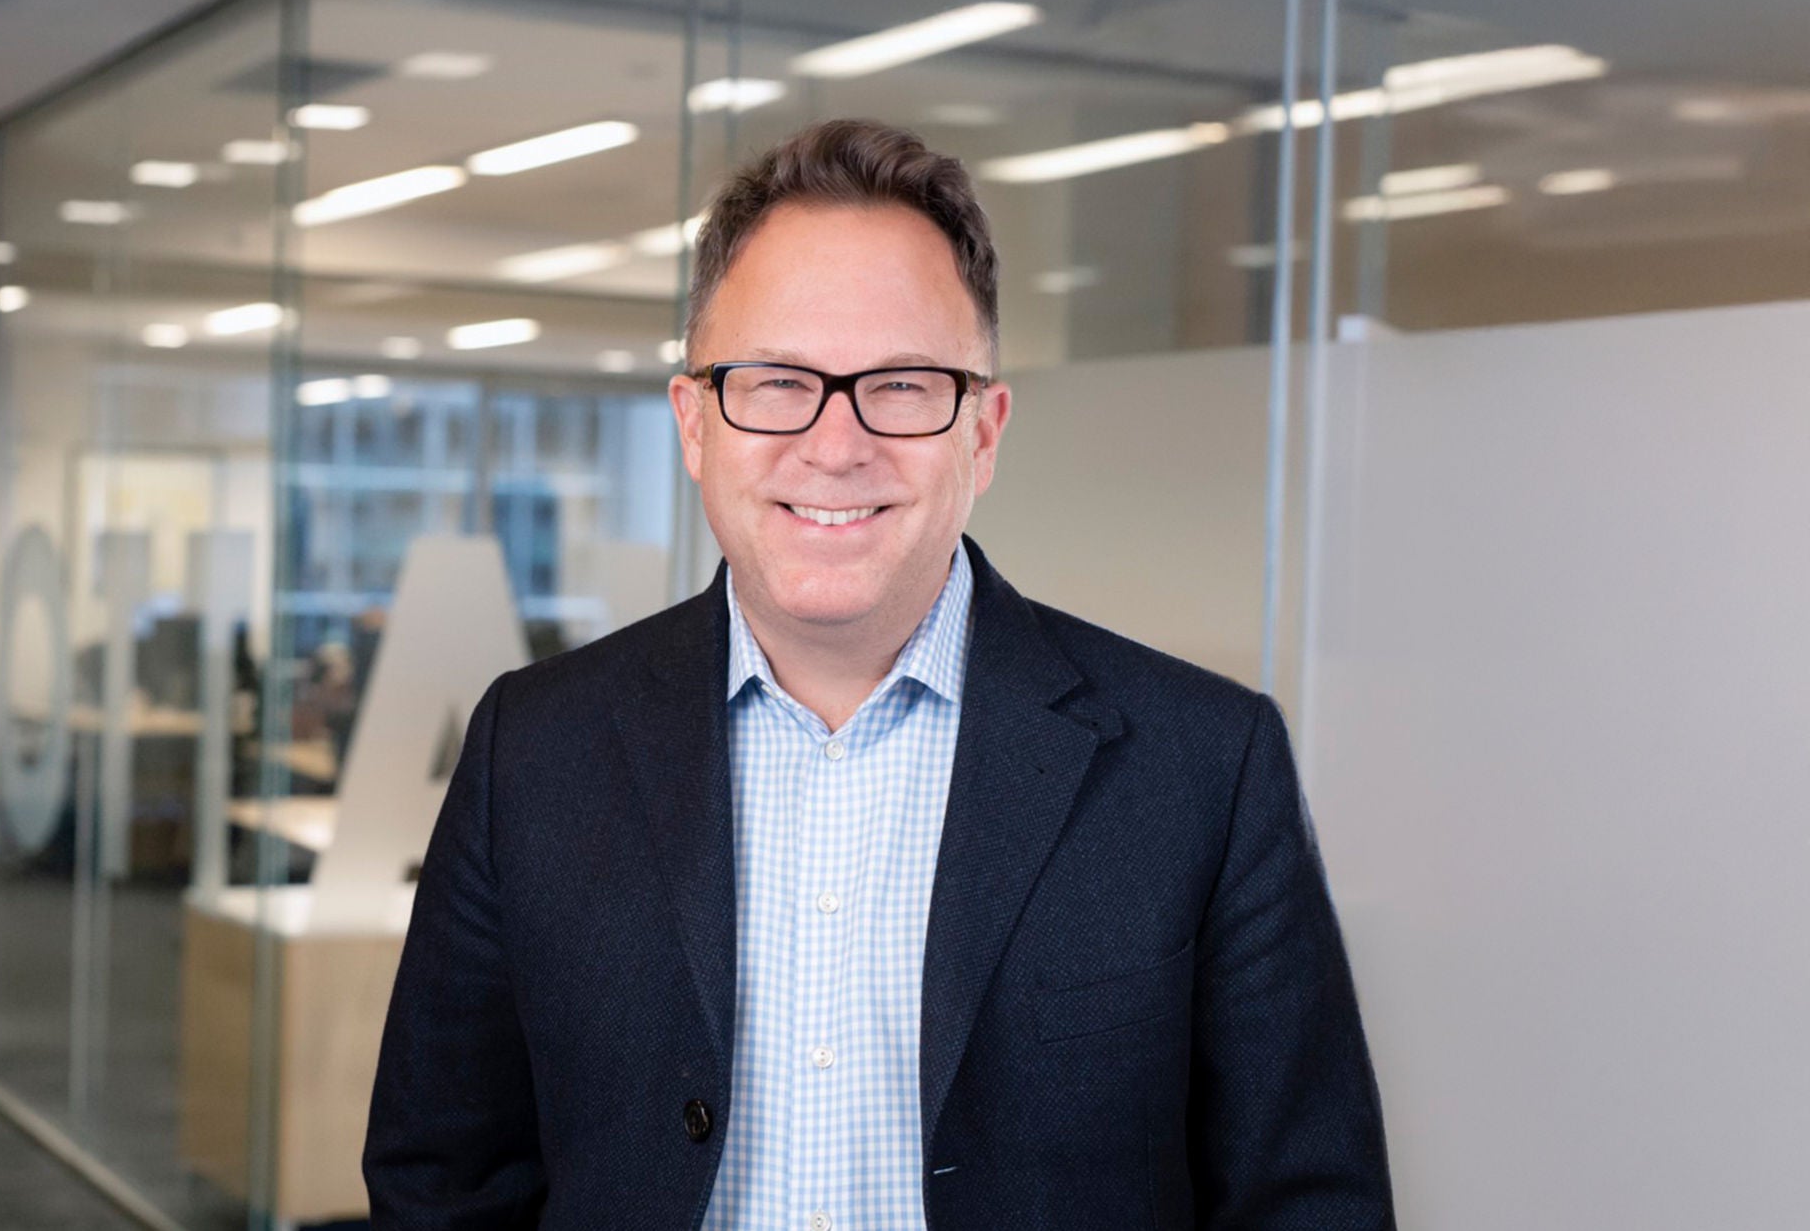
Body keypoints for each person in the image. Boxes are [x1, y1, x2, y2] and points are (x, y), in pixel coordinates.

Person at [364, 119, 1394, 1229]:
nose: (835, 443)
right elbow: (442, 1186)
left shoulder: (1204, 767)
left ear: (983, 432)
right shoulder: (534, 749)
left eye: (901, 384)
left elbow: (1307, 1206)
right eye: (775, 381)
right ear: (694, 424)